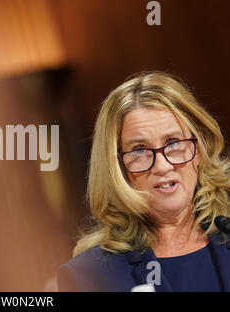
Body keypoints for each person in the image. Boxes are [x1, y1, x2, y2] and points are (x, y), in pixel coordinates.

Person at [58, 71, 230, 292]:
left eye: (173, 142)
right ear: (117, 167)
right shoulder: (88, 277)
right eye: (139, 150)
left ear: (198, 148)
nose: (162, 166)